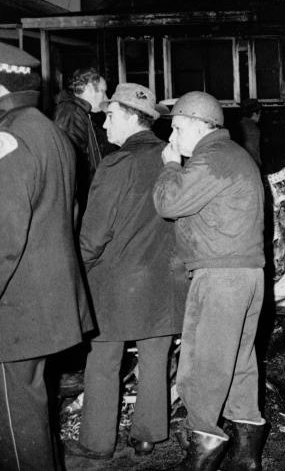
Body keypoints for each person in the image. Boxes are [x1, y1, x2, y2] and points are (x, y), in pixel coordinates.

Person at [68, 83, 186, 461]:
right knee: (155, 357)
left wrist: (75, 270)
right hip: (166, 281)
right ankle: (149, 435)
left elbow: (93, 235)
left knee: (103, 360)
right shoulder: (173, 159)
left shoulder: (117, 163)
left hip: (119, 285)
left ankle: (97, 442)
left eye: (110, 116)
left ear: (131, 117)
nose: (104, 126)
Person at [152, 91, 267, 469]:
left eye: (177, 128)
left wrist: (170, 166)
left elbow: (169, 204)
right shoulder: (236, 156)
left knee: (203, 362)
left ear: (201, 125)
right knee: (238, 361)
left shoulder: (212, 158)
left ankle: (202, 448)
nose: (173, 138)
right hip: (246, 273)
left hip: (221, 276)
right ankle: (246, 455)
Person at [0, 44, 94, 470]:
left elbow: (4, 234)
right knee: (31, 414)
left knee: (15, 423)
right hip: (49, 300)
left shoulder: (9, 138)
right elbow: (69, 215)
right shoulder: (50, 133)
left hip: (16, 310)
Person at [53, 66, 109, 217]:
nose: (106, 98)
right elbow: (71, 161)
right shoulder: (71, 112)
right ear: (90, 87)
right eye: (103, 91)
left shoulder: (80, 111)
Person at [237, 98, 262, 167]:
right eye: (259, 113)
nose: (260, 116)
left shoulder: (239, 125)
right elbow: (252, 151)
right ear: (254, 114)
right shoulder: (253, 129)